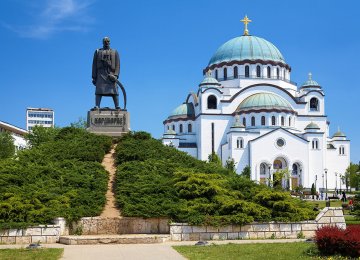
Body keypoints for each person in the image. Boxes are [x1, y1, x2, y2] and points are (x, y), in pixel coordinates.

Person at [92, 37, 120, 109]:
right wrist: (94, 77)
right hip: (100, 74)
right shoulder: (98, 51)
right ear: (102, 42)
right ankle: (97, 105)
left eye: (108, 41)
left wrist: (116, 75)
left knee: (114, 90)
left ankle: (117, 106)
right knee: (99, 90)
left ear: (110, 42)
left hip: (111, 74)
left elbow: (117, 65)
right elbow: (94, 65)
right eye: (105, 41)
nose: (106, 42)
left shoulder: (114, 52)